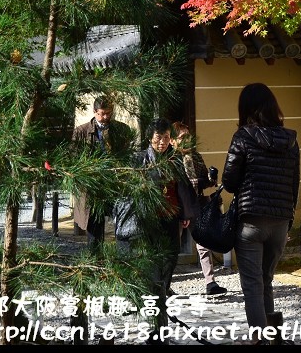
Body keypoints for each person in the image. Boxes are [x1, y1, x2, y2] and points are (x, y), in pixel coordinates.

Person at [222, 83, 300, 344]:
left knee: (253, 284)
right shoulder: (291, 141)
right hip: (280, 221)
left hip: (251, 221)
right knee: (267, 279)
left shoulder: (243, 137)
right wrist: (288, 220)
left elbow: (230, 181)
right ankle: (272, 336)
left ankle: (259, 339)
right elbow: (294, 184)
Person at [113, 118, 199, 344]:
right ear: (150, 138)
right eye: (158, 138)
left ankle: (159, 324)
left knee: (167, 269)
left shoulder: (176, 159)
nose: (162, 142)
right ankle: (156, 329)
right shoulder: (139, 160)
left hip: (170, 220)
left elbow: (185, 188)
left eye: (166, 138)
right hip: (146, 223)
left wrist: (185, 214)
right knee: (153, 277)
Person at [171, 121, 228, 296]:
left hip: (196, 205)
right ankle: (165, 284)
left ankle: (210, 282)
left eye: (188, 137)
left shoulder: (195, 156)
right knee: (173, 246)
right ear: (173, 140)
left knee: (203, 245)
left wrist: (212, 177)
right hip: (177, 208)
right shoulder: (170, 159)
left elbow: (205, 181)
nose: (187, 140)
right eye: (182, 137)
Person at [71, 95, 133, 250]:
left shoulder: (122, 130)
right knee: (94, 233)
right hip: (92, 189)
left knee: (124, 226)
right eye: (102, 113)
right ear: (94, 112)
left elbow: (127, 157)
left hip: (116, 186)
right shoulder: (81, 132)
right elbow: (73, 160)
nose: (105, 117)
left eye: (108, 113)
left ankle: (122, 263)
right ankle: (96, 266)